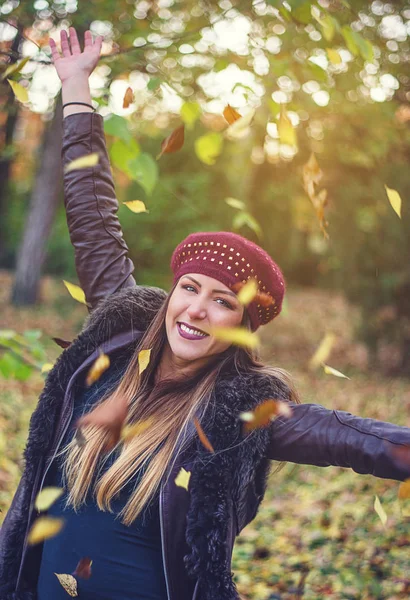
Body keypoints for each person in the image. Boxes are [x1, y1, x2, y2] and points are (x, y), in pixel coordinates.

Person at [1, 28, 410, 600]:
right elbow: (93, 212)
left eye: (224, 301)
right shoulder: (120, 335)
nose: (197, 309)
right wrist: (74, 88)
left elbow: (354, 439)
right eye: (190, 288)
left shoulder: (239, 409)